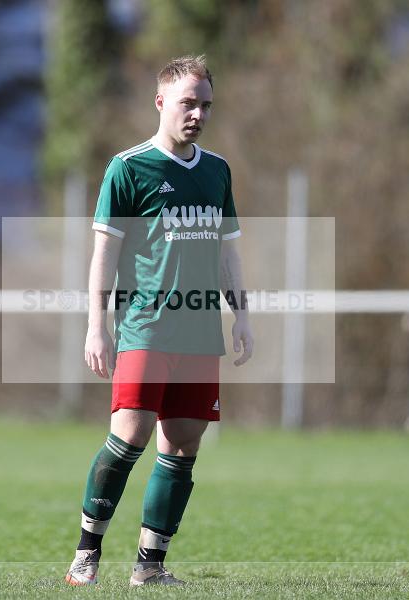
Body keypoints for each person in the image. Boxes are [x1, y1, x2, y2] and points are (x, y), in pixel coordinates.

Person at [65, 54, 253, 587]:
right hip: (146, 327)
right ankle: (86, 552)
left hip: (200, 333)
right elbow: (103, 255)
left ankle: (149, 566)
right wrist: (96, 325)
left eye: (206, 105)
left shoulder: (217, 171)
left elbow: (228, 253)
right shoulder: (128, 169)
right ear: (160, 102)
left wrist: (242, 316)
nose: (198, 114)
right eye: (188, 103)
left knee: (184, 444)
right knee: (129, 436)